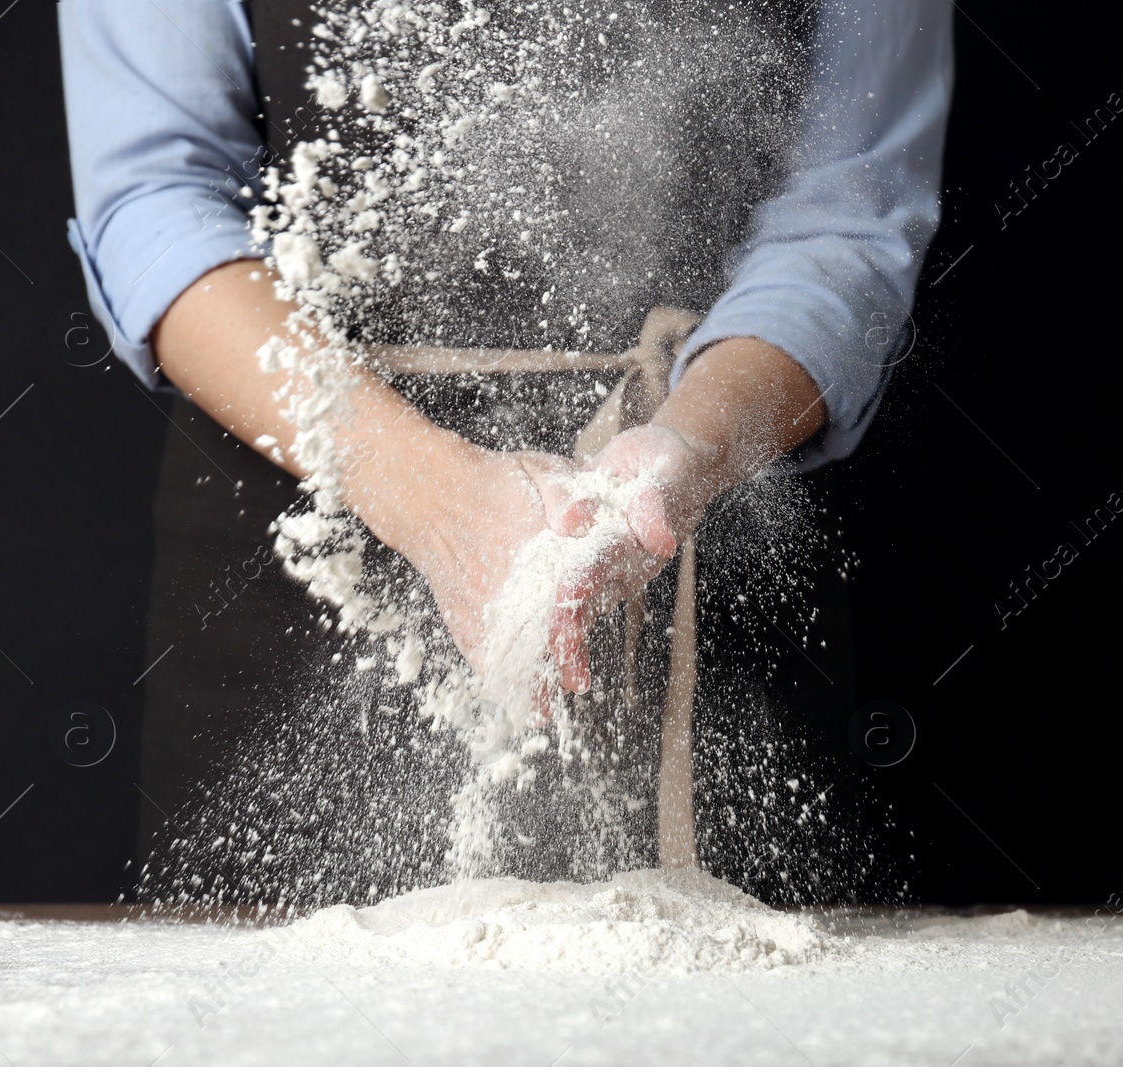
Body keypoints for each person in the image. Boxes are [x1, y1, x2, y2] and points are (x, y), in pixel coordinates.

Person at [61, 4, 951, 885]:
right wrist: (429, 494)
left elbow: (850, 210)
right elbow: (156, 203)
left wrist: (692, 445)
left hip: (703, 531)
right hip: (301, 545)